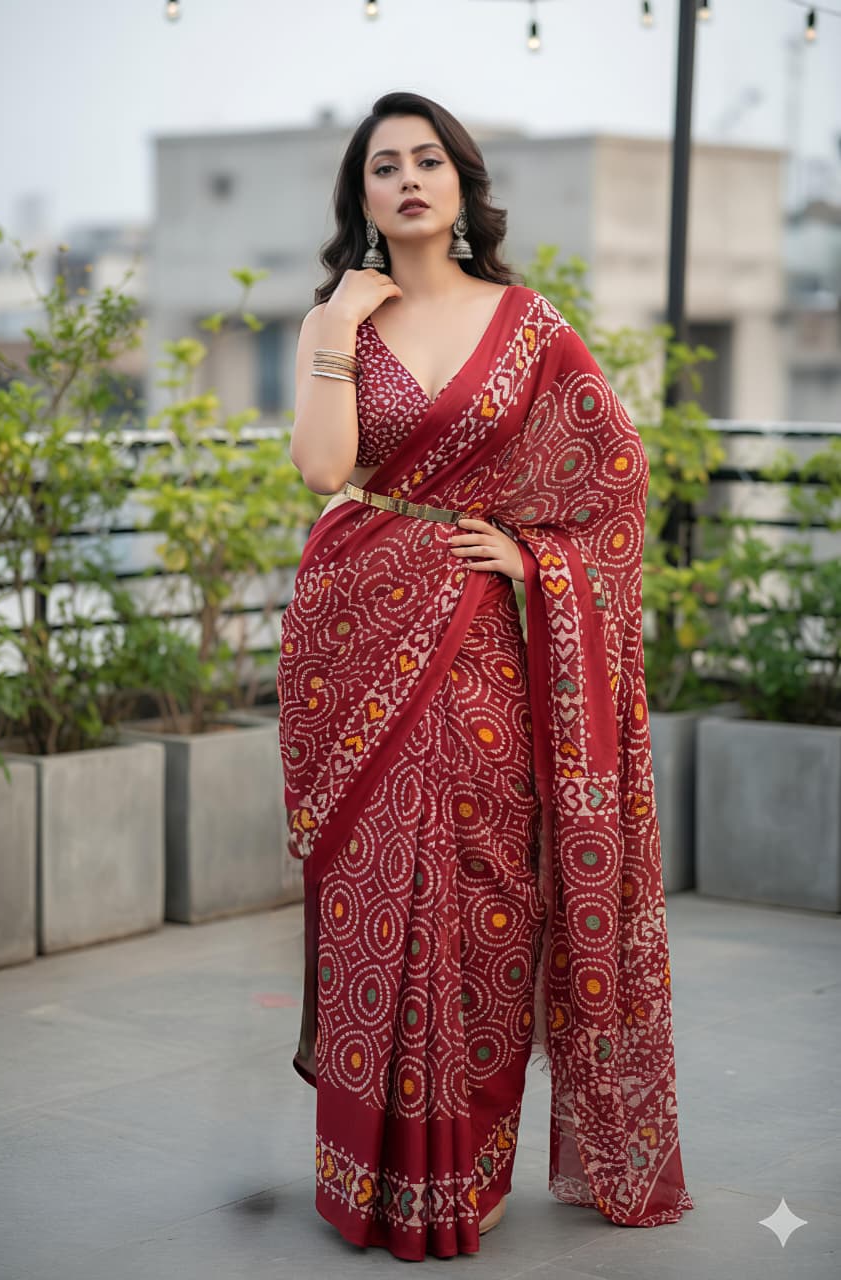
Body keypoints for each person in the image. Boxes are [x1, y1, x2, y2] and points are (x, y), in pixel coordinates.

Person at [276, 90, 693, 1262]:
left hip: (483, 646)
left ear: (461, 182)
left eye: (427, 160)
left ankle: (473, 1163)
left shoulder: (527, 324)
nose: (407, 179)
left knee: (484, 887)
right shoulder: (340, 319)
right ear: (360, 197)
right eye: (382, 166)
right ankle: (370, 1177)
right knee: (371, 901)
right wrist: (337, 320)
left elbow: (615, 478)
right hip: (350, 638)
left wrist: (537, 556)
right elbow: (322, 468)